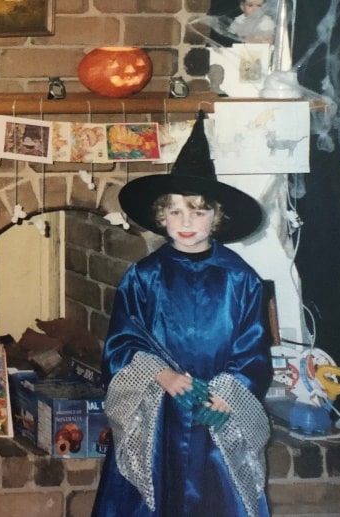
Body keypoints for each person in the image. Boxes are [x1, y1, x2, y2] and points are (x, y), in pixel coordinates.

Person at [92, 110, 273, 517]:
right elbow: (123, 342)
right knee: (150, 497)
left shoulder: (241, 280)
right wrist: (163, 375)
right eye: (174, 212)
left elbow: (254, 352)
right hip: (159, 412)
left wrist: (226, 395)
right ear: (160, 217)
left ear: (217, 216)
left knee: (219, 497)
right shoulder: (143, 277)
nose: (186, 221)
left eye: (198, 210)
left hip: (215, 410)